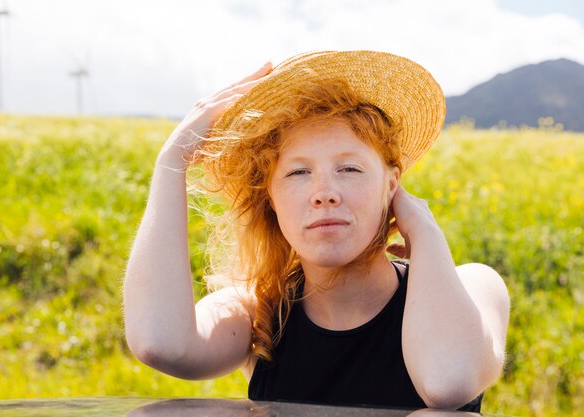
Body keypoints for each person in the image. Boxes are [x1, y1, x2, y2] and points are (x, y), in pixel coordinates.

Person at [123, 51, 510, 411]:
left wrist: (423, 230)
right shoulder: (257, 312)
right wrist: (172, 160)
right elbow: (161, 344)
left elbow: (448, 384)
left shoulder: (476, 286)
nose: (324, 194)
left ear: (392, 186)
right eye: (298, 173)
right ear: (271, 198)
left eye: (350, 169)